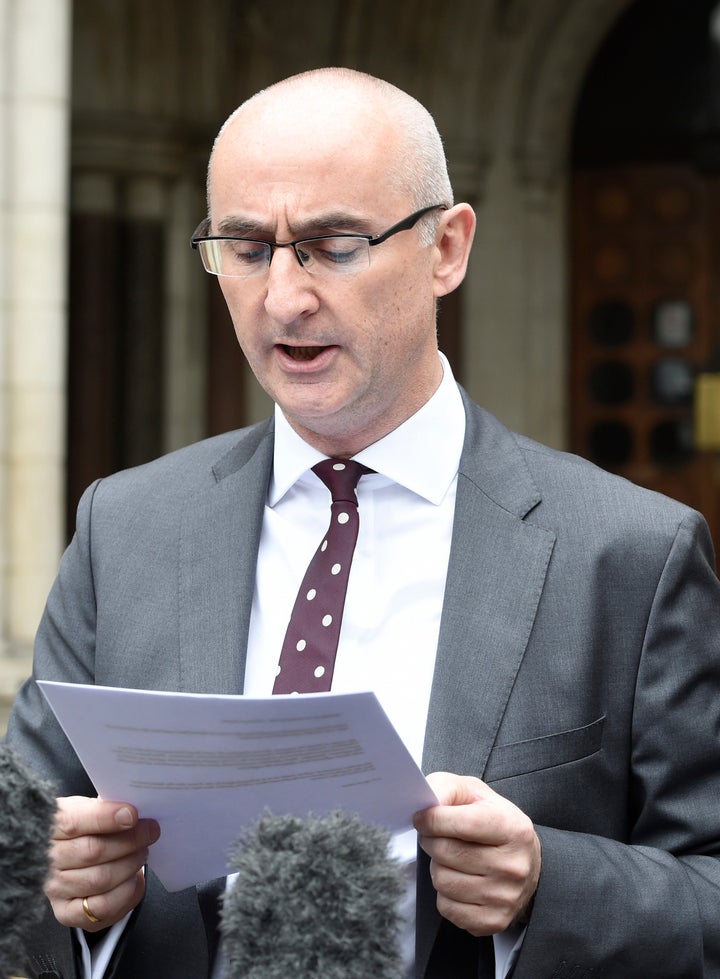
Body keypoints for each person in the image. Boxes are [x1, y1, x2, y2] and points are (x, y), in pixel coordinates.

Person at [5, 65, 720, 979]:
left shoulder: (630, 554)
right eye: (246, 246)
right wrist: (65, 892)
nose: (283, 297)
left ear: (447, 249)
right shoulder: (125, 528)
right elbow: (24, 858)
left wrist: (550, 884)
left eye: (333, 244)